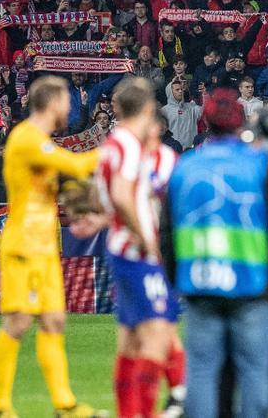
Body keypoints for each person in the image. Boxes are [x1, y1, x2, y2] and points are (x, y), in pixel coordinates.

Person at [162, 89, 268, 418]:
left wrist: (176, 278)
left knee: (201, 372)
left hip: (199, 284)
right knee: (254, 372)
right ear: (240, 121)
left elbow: (166, 232)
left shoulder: (184, 167)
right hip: (251, 285)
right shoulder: (260, 164)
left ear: (205, 121)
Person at [0, 75, 102, 418]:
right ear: (53, 102)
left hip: (44, 246)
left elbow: (63, 182)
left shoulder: (41, 143)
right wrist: (119, 145)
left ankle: (64, 405)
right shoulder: (25, 138)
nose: (70, 106)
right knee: (19, 323)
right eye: (67, 100)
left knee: (54, 321)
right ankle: (1, 407)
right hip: (23, 246)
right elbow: (76, 164)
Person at [93, 78, 183, 418]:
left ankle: (129, 413)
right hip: (136, 252)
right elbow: (120, 195)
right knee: (159, 334)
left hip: (120, 248)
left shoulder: (112, 143)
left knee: (130, 340)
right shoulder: (129, 145)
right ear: (147, 109)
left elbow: (107, 197)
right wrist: (146, 240)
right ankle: (149, 411)